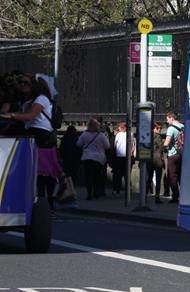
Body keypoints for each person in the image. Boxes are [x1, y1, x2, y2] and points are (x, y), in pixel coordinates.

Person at [0, 75, 63, 206]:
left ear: (33, 85)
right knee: (35, 170)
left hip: (41, 135)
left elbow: (30, 115)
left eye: (26, 83)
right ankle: (39, 200)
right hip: (31, 133)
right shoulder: (26, 100)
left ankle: (45, 201)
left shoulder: (41, 99)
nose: (22, 85)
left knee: (42, 171)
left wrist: (12, 115)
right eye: (20, 83)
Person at [77, 118, 111, 200]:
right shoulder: (101, 135)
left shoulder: (84, 134)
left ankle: (89, 193)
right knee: (97, 176)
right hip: (98, 159)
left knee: (88, 176)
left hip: (87, 158)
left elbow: (78, 144)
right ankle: (96, 193)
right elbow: (107, 146)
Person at [163, 113, 184, 203]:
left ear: (172, 118)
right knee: (180, 175)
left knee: (172, 176)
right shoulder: (183, 126)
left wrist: (163, 146)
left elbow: (166, 143)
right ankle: (184, 195)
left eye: (167, 119)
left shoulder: (171, 128)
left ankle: (175, 196)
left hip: (172, 155)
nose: (167, 121)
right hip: (181, 154)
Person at [58, 123, 81, 188]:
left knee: (67, 173)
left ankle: (67, 186)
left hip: (66, 159)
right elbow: (79, 149)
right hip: (75, 159)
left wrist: (62, 156)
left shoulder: (64, 139)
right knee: (74, 173)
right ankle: (73, 185)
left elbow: (61, 149)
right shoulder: (77, 139)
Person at [111, 122, 129, 195]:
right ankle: (128, 191)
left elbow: (115, 145)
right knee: (126, 175)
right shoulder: (130, 134)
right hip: (127, 157)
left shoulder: (118, 134)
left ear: (121, 128)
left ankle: (117, 191)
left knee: (118, 175)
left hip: (119, 157)